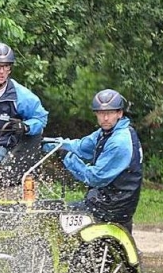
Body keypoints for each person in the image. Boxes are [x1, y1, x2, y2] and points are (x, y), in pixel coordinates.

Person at [43, 89, 143, 234]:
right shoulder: (108, 132)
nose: (105, 118)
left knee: (56, 214)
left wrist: (67, 158)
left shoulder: (119, 141)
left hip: (113, 206)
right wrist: (52, 144)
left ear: (119, 113)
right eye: (101, 113)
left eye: (110, 113)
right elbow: (81, 146)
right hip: (108, 199)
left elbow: (94, 178)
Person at [0, 42, 49, 170]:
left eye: (6, 66)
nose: (1, 72)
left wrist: (26, 127)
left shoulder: (22, 96)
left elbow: (41, 119)